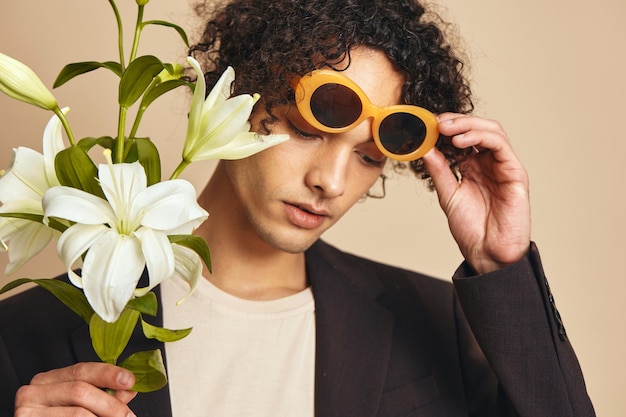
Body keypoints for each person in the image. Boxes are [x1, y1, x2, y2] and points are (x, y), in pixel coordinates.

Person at [0, 0, 595, 416]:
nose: (330, 182)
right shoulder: (29, 334)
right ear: (235, 95)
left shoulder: (440, 322)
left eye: (367, 158)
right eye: (308, 130)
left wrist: (501, 266)